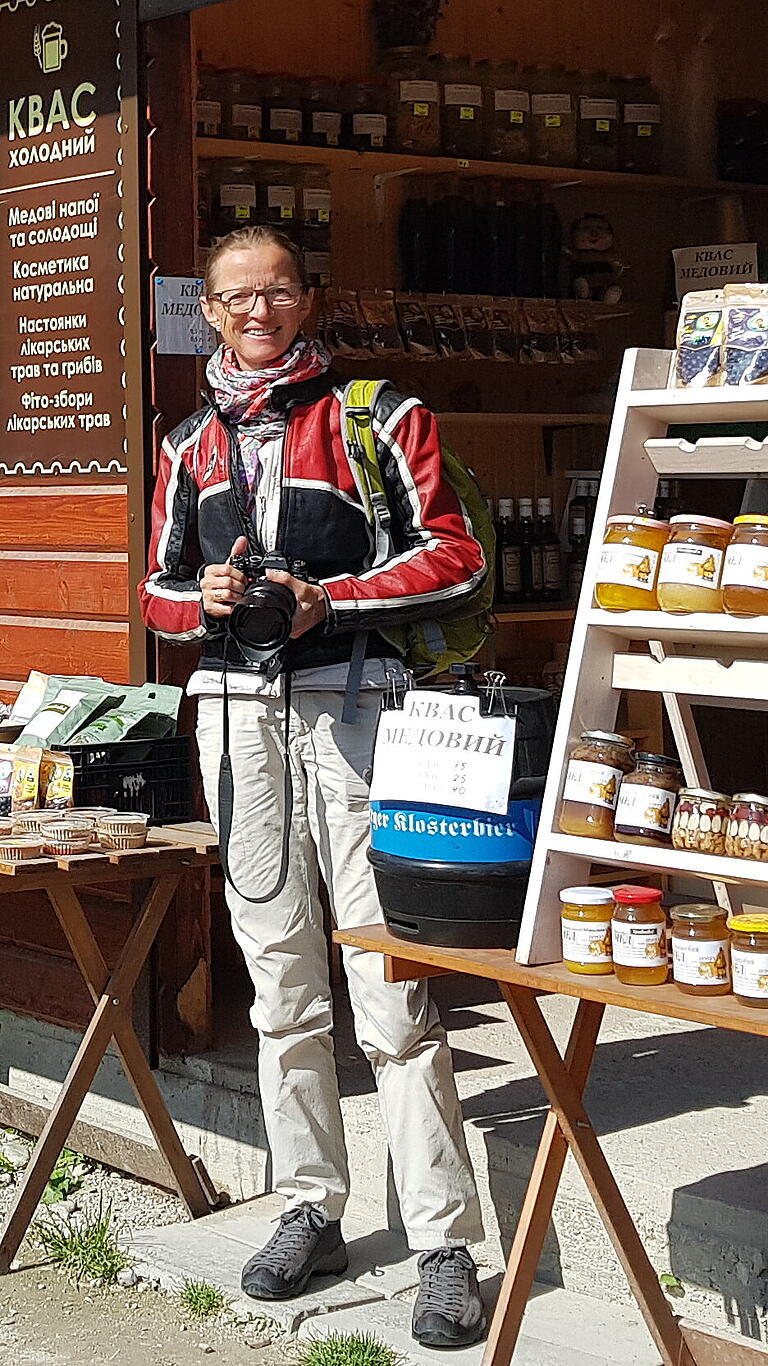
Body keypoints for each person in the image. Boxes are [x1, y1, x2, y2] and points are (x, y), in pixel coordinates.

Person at [139, 226, 487, 1348]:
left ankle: (440, 1237)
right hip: (235, 718)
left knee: (388, 981)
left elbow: (458, 554)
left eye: (277, 290)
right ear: (213, 311)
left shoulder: (381, 415)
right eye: (237, 295)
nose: (258, 311)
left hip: (356, 705)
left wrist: (324, 598)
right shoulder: (187, 439)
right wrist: (215, 595)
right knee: (279, 978)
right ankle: (309, 1207)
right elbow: (156, 593)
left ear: (309, 300)